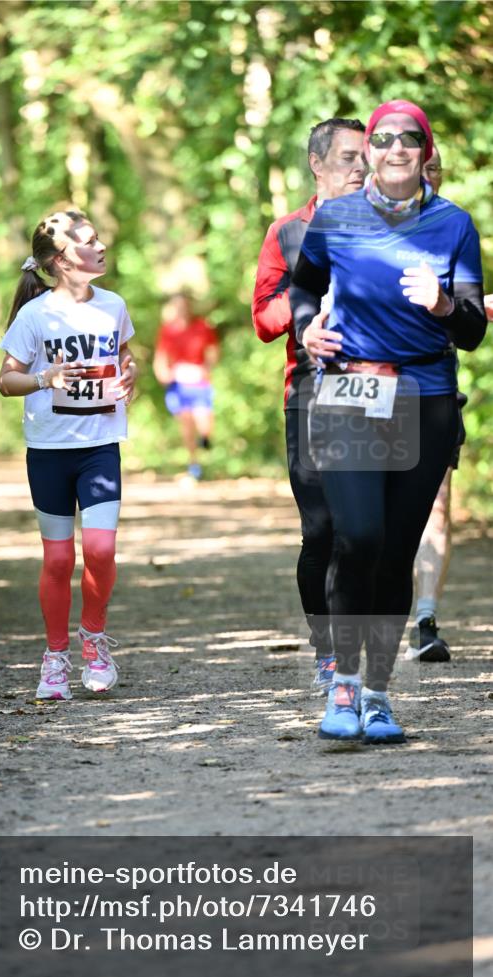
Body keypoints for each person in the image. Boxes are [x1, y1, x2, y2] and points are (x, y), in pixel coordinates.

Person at [290, 99, 486, 744]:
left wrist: (442, 305)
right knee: (358, 538)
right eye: (383, 138)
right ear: (368, 149)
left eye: (410, 138)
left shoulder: (454, 224)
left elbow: (474, 329)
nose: (396, 147)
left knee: (397, 552)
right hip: (349, 390)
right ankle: (340, 687)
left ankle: (377, 695)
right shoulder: (336, 216)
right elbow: (302, 289)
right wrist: (306, 329)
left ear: (425, 151)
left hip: (425, 398)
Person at [0, 208, 137, 700]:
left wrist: (129, 373)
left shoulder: (113, 305)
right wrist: (45, 378)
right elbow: (5, 379)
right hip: (49, 450)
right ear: (61, 260)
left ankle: (93, 640)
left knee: (100, 550)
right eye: (90, 240)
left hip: (99, 446)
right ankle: (54, 658)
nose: (101, 246)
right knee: (58, 559)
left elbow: (124, 357)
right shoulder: (35, 315)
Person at [252, 117, 366, 691]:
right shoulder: (287, 232)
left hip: (379, 392)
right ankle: (327, 653)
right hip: (310, 392)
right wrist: (306, 321)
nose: (361, 168)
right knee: (321, 530)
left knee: (364, 531)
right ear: (317, 164)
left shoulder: (389, 224)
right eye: (348, 157)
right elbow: (263, 315)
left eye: (365, 157)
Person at [408, 148, 464, 662]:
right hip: (372, 392)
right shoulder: (364, 227)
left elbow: (469, 317)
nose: (425, 178)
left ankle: (425, 620)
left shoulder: (454, 231)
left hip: (438, 391)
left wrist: (460, 307)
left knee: (437, 507)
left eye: (433, 169)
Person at [153, 292, 219, 480]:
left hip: (199, 381)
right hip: (179, 383)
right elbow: (161, 357)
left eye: (185, 305)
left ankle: (205, 438)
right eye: (178, 306)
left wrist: (205, 369)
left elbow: (213, 352)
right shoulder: (168, 330)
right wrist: (163, 374)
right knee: (187, 424)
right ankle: (194, 464)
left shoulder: (203, 326)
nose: (182, 309)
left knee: (204, 421)